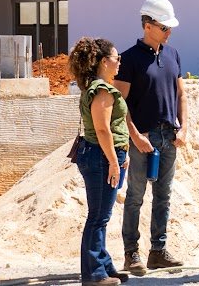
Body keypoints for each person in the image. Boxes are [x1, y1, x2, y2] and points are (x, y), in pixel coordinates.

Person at [115, 0, 187, 276]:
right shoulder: (129, 59)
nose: (169, 32)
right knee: (135, 196)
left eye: (170, 28)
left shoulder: (173, 54)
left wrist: (184, 127)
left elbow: (181, 95)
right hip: (142, 139)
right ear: (148, 25)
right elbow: (120, 104)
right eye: (164, 28)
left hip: (169, 136)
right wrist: (135, 136)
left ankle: (158, 251)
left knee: (163, 196)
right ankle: (131, 253)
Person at [69, 37, 130, 286]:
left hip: (103, 155)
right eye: (117, 58)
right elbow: (102, 129)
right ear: (104, 61)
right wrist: (114, 162)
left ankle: (103, 266)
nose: (119, 63)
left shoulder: (98, 87)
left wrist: (121, 155)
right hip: (101, 157)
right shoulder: (102, 90)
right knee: (98, 217)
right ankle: (94, 274)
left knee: (101, 216)